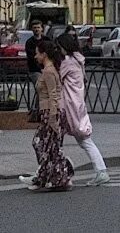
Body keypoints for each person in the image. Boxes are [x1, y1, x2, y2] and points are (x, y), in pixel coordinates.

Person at [57, 30, 109, 186]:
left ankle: (58, 169)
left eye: (59, 46)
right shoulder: (79, 60)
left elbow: (57, 78)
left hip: (69, 104)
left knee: (59, 139)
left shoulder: (67, 62)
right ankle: (100, 170)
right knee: (83, 141)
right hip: (78, 103)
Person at [21, 38, 72, 192]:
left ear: (44, 54)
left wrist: (52, 117)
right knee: (50, 147)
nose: (35, 56)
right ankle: (53, 177)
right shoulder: (50, 69)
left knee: (43, 144)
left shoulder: (49, 71)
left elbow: (54, 95)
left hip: (50, 112)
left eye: (37, 54)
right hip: (49, 112)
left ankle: (55, 175)